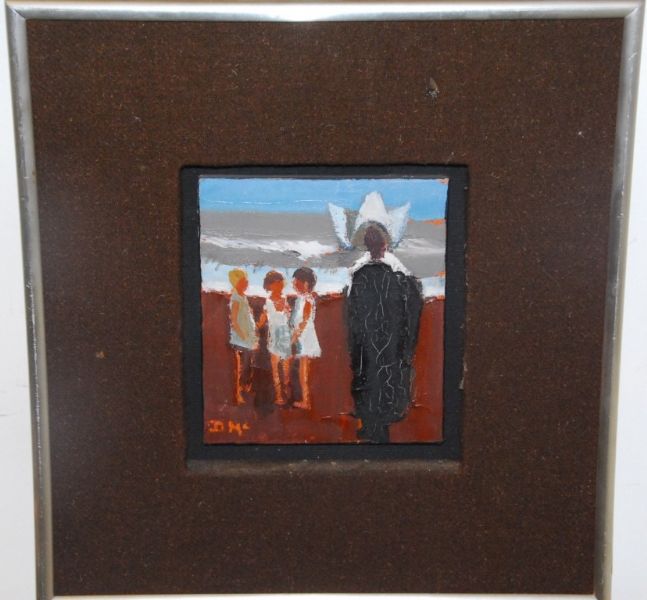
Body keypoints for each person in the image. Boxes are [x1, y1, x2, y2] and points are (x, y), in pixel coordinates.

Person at [347, 225, 424, 442]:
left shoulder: (359, 274)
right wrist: (408, 342)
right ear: (385, 245)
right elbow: (413, 311)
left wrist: (354, 342)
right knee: (389, 375)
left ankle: (370, 423)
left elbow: (352, 314)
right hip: (392, 337)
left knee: (368, 375)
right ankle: (382, 423)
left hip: (367, 338)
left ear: (367, 245)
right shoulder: (401, 276)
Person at [257, 271, 292, 406]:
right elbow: (262, 321)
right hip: (274, 338)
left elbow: (289, 318)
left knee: (286, 369)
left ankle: (286, 391)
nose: (279, 286)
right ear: (270, 285)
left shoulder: (285, 299)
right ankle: (279, 396)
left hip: (285, 336)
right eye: (276, 283)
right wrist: (255, 327)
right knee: (276, 369)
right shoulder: (267, 302)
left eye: (281, 283)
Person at [290, 267, 321, 410]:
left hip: (305, 337)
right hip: (302, 336)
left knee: (303, 371)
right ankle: (305, 399)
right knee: (302, 370)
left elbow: (305, 320)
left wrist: (295, 336)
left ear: (306, 284)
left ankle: (306, 401)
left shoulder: (307, 299)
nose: (293, 284)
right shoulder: (301, 298)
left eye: (296, 281)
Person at [227, 268, 258, 405]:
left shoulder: (243, 297)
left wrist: (252, 335)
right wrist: (243, 335)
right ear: (237, 282)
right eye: (243, 281)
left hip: (248, 338)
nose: (246, 283)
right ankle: (238, 393)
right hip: (240, 339)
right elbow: (234, 320)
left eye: (246, 281)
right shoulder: (236, 298)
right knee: (241, 367)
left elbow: (248, 317)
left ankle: (245, 387)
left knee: (248, 364)